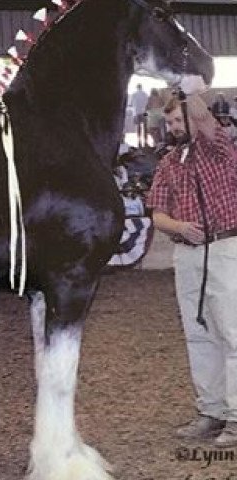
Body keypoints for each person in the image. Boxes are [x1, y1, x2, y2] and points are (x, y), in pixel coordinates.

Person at [147, 93, 237, 447]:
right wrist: (179, 227)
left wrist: (188, 96)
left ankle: (236, 415)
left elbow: (206, 121)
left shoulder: (218, 150)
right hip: (186, 255)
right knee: (198, 333)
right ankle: (211, 410)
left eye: (178, 121)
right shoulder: (169, 162)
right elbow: (157, 214)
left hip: (224, 248)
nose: (173, 128)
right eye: (169, 123)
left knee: (232, 332)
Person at [129, 83, 149, 147]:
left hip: (137, 112)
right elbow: (147, 104)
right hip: (145, 112)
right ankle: (146, 141)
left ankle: (139, 140)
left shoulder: (134, 94)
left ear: (137, 87)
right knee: (145, 126)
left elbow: (130, 104)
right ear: (141, 87)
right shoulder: (145, 94)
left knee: (138, 126)